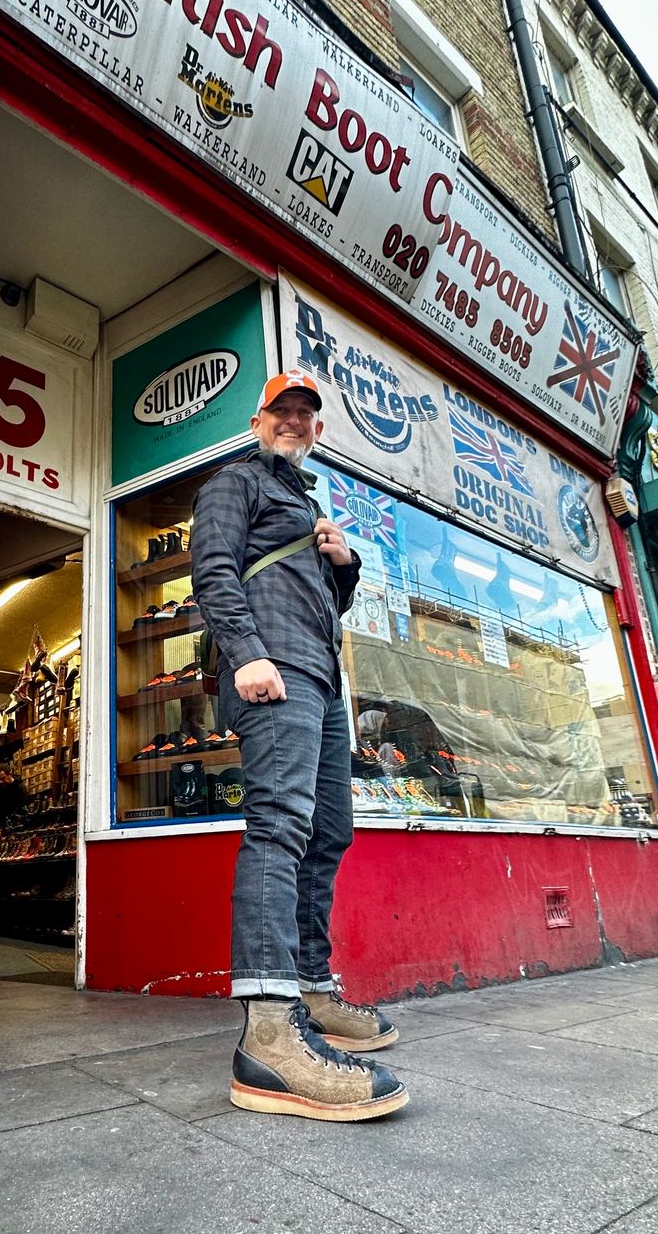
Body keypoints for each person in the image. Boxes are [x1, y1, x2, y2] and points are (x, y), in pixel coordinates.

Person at [191, 369, 409, 1121]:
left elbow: (324, 603)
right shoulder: (235, 482)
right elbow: (214, 569)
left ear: (317, 429)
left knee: (330, 831)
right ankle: (270, 1032)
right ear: (259, 421)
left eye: (305, 415)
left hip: (319, 680)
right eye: (281, 411)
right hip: (272, 669)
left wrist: (342, 564)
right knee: (280, 827)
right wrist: (245, 650)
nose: (293, 422)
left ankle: (311, 990)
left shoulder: (308, 504)